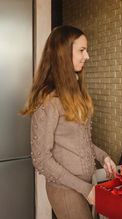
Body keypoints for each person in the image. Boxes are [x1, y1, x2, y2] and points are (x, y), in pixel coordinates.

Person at [20, 25, 116, 219]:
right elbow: (41, 159)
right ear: (63, 54)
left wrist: (103, 157)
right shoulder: (48, 100)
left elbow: (80, 141)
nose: (87, 56)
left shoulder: (74, 94)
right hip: (66, 189)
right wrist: (85, 189)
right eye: (82, 50)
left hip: (86, 185)